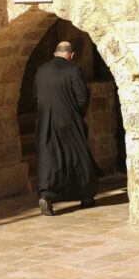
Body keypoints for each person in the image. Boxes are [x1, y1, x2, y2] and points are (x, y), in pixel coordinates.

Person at [34, 41, 103, 216]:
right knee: (78, 156)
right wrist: (77, 115)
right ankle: (86, 195)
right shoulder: (73, 70)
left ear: (54, 52)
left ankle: (46, 195)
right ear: (72, 55)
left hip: (44, 121)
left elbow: (35, 96)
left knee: (48, 159)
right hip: (68, 120)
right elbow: (81, 98)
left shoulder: (40, 70)